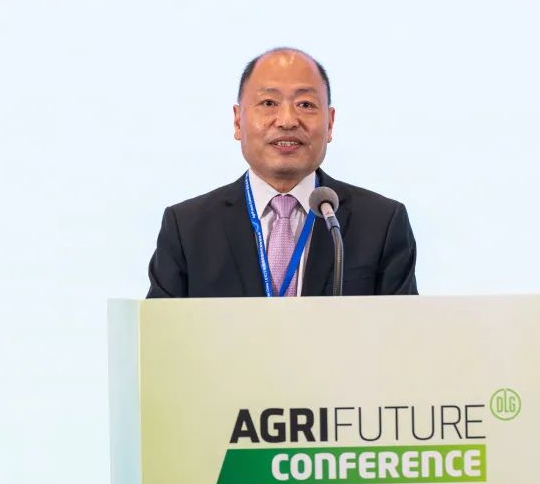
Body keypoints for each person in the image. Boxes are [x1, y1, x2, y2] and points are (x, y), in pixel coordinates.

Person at [146, 48, 418, 298]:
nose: (287, 121)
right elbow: (158, 332)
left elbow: (403, 331)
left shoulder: (381, 224)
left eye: (305, 105)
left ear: (330, 123)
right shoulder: (187, 229)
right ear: (238, 121)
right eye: (268, 103)